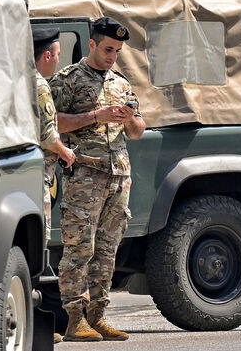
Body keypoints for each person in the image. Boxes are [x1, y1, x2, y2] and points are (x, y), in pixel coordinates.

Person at [49, 17, 145, 341]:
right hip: (85, 177)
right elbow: (52, 124)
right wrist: (96, 116)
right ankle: (75, 319)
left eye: (117, 51)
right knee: (79, 249)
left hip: (119, 177)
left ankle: (98, 316)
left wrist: (130, 118)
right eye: (107, 49)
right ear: (91, 45)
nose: (112, 56)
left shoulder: (121, 82)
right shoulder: (69, 79)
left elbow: (139, 131)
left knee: (107, 249)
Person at [32, 27, 76, 345]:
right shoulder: (40, 86)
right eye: (58, 56)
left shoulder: (13, 80)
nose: (58, 63)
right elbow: (48, 135)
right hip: (36, 179)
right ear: (47, 55)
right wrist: (66, 152)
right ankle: (39, 327)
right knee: (37, 254)